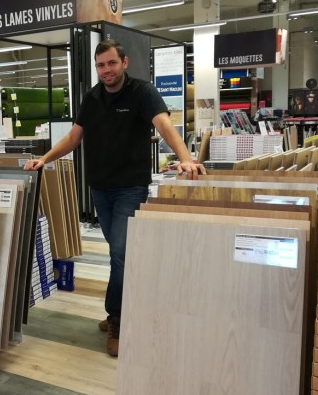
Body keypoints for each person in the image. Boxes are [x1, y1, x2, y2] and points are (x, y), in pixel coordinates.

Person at [24, 39, 205, 357]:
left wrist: (186, 157)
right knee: (119, 254)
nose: (105, 70)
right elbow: (73, 137)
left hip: (130, 187)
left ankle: (116, 317)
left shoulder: (142, 92)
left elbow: (164, 125)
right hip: (100, 189)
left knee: (120, 255)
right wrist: (45, 159)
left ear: (124, 63)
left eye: (111, 63)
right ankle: (125, 308)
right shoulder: (92, 98)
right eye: (100, 65)